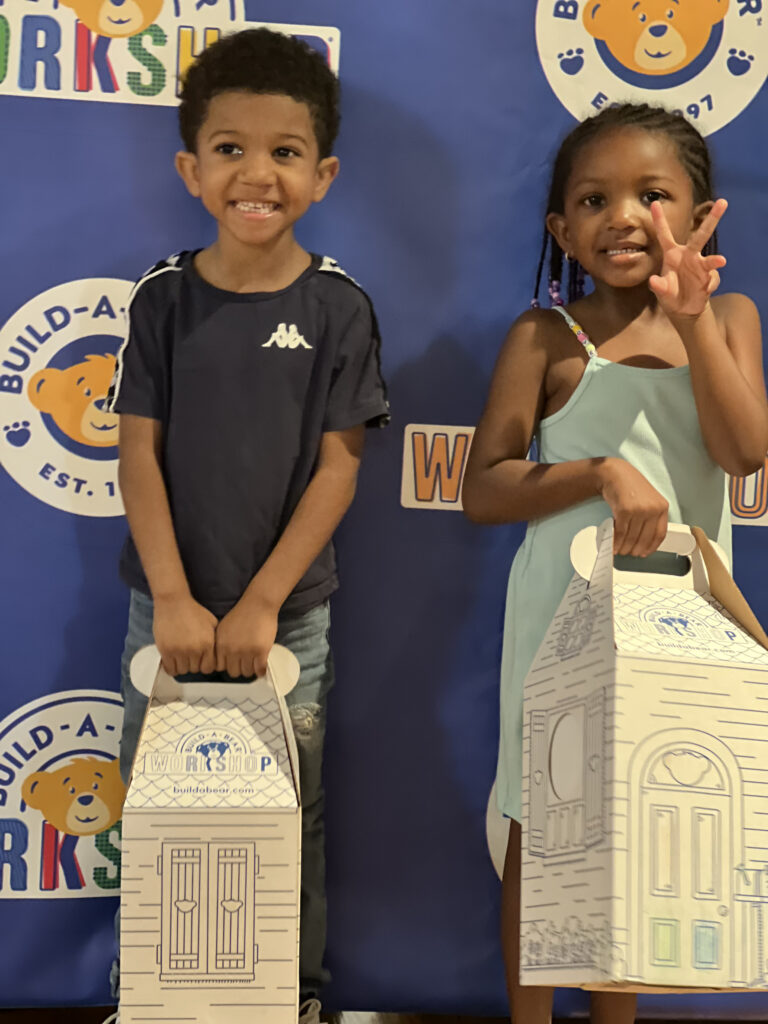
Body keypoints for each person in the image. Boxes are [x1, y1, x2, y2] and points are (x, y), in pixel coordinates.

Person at [105, 28, 389, 1024]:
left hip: (290, 624)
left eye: (284, 151)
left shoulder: (341, 309)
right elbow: (137, 454)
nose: (255, 173)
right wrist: (176, 596)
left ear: (323, 173)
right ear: (191, 169)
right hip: (165, 615)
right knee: (159, 807)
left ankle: (290, 999)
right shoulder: (161, 300)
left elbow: (340, 467)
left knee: (285, 816)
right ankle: (148, 993)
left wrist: (265, 599)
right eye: (229, 149)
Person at [462, 102, 768, 1024]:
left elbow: (743, 452)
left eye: (652, 194)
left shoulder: (730, 319)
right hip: (560, 613)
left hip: (684, 623)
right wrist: (598, 472)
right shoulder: (544, 338)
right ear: (562, 229)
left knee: (637, 823)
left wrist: (695, 319)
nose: (622, 216)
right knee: (540, 819)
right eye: (592, 200)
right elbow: (485, 489)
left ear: (700, 211)